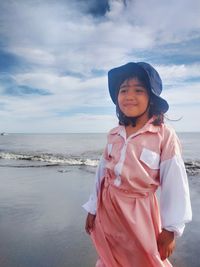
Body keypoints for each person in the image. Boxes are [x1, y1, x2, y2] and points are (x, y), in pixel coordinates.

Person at [82, 62, 192, 267]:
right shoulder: (114, 134)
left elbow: (175, 183)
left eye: (138, 90)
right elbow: (101, 173)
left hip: (139, 212)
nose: (129, 96)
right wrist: (93, 208)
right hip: (109, 207)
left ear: (152, 98)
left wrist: (170, 229)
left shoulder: (164, 136)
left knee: (146, 256)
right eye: (123, 90)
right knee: (110, 253)